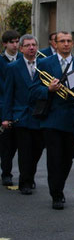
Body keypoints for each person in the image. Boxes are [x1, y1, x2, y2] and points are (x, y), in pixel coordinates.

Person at [30, 31, 74, 209]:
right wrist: (48, 89)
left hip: (72, 119)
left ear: (72, 44)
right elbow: (33, 91)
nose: (65, 44)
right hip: (52, 119)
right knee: (54, 158)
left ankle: (59, 186)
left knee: (67, 159)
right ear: (55, 44)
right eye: (62, 41)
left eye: (68, 41)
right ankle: (56, 193)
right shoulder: (44, 63)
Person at [2, 34, 44, 195]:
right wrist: (6, 117)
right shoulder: (13, 67)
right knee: (25, 151)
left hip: (40, 115)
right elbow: (8, 94)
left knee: (37, 149)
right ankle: (25, 182)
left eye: (34, 45)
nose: (31, 48)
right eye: (27, 45)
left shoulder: (44, 65)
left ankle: (30, 175)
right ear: (21, 49)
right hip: (22, 115)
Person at [0, 30, 22, 186]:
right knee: (6, 143)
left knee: (19, 144)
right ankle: (6, 172)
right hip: (3, 106)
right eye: (12, 42)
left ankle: (25, 175)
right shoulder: (1, 61)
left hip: (19, 107)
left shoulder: (22, 60)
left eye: (17, 42)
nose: (15, 45)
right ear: (5, 44)